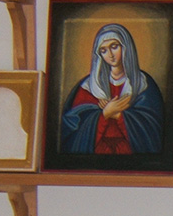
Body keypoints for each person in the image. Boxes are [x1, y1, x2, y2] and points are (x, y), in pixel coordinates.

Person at [61, 23, 164, 155]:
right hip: (95, 155)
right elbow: (72, 127)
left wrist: (118, 115)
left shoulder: (143, 84)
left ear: (126, 47)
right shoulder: (89, 86)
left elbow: (152, 128)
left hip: (132, 157)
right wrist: (105, 114)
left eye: (114, 47)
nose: (110, 54)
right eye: (103, 50)